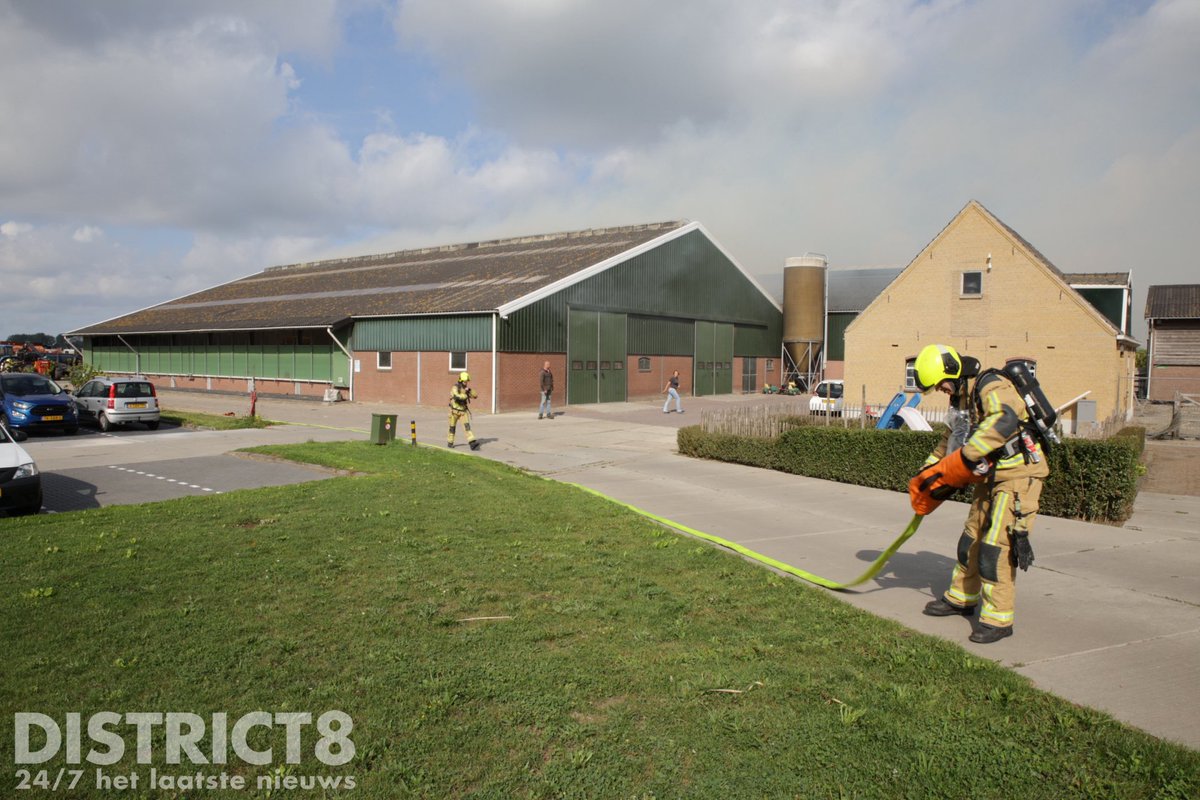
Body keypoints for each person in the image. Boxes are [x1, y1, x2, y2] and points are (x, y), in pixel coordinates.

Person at [907, 344, 1049, 644]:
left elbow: (1005, 419)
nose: (943, 391)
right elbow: (950, 443)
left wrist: (968, 458)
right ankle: (961, 597)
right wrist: (927, 473)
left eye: (942, 385)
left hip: (1019, 475)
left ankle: (998, 618)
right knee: (970, 539)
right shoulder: (962, 399)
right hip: (991, 476)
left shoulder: (991, 384)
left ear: (953, 372)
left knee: (995, 547)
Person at [447, 371, 479, 450]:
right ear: (461, 380)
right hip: (453, 412)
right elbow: (457, 396)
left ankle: (472, 443)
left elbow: (475, 396)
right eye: (465, 381)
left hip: (463, 412)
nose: (466, 383)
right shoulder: (455, 387)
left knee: (467, 427)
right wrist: (465, 395)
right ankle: (450, 442)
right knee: (452, 428)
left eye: (467, 381)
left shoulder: (466, 388)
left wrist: (470, 390)